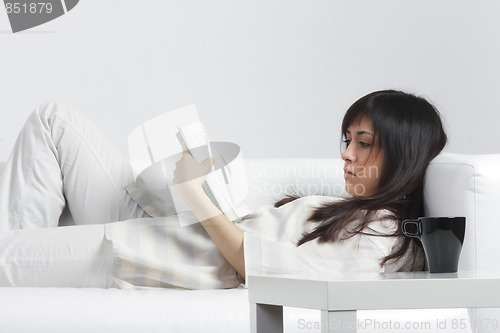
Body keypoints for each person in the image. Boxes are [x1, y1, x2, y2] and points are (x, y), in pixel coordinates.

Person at [0, 89, 447, 288]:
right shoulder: (349, 207)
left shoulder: (382, 235)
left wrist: (196, 194)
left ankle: (23, 254)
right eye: (347, 140)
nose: (347, 154)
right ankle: (27, 248)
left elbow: (264, 269)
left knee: (7, 256)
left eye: (364, 143)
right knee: (53, 119)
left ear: (404, 155)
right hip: (164, 224)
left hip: (149, 249)